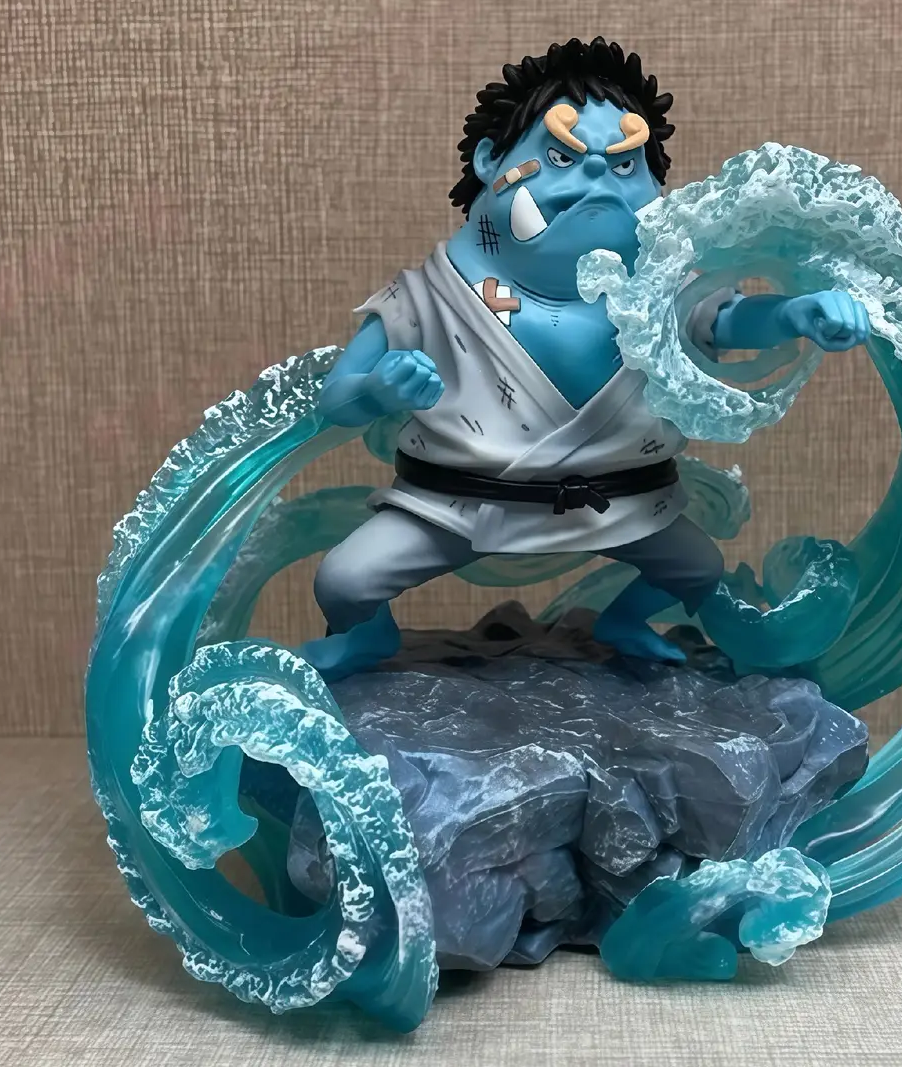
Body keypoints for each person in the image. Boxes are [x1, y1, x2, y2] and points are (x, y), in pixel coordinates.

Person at [305, 38, 869, 679]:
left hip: (623, 502)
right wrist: (379, 391)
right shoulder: (427, 298)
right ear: (490, 160)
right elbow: (337, 399)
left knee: (697, 568)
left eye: (625, 165)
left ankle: (623, 619)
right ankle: (366, 637)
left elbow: (726, 320)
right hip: (457, 504)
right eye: (560, 157)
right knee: (345, 581)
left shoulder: (655, 291)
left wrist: (795, 313)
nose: (597, 178)